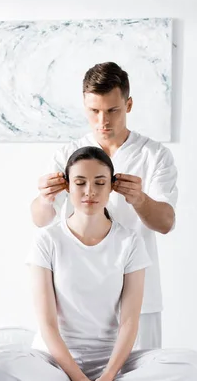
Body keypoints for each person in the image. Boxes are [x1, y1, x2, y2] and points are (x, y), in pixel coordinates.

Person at [0, 147, 197, 381]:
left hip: (112, 363)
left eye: (100, 183)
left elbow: (129, 322)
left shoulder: (130, 242)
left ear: (111, 188)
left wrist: (107, 376)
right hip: (55, 362)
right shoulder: (47, 240)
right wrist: (78, 377)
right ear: (67, 187)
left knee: (191, 365)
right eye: (80, 183)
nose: (90, 192)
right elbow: (48, 324)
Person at [30, 62, 177, 350]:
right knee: (74, 380)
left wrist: (139, 199)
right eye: (94, 111)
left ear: (129, 104)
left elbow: (166, 223)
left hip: (138, 296)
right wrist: (45, 197)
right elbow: (40, 220)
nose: (102, 121)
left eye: (112, 110)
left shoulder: (154, 155)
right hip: (77, 300)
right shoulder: (67, 155)